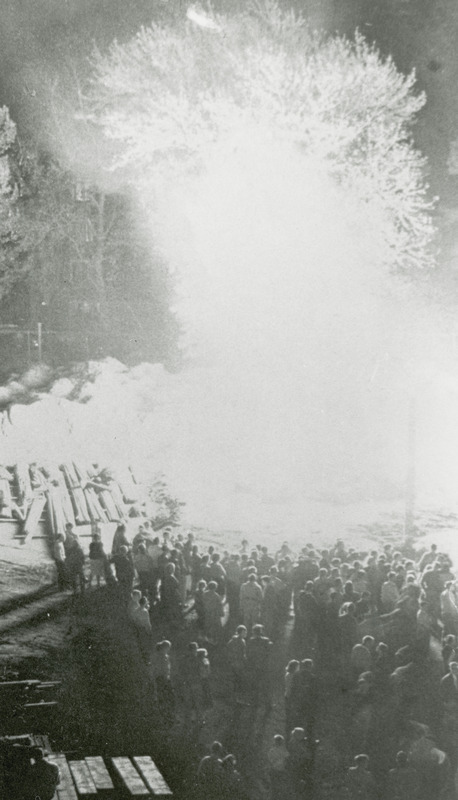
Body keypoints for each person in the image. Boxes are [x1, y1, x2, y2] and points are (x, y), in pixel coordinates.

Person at [155, 640, 175, 726]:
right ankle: (163, 719)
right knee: (163, 699)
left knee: (169, 699)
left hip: (166, 679)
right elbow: (158, 669)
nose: (168, 649)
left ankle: (168, 717)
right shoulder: (159, 656)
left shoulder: (166, 656)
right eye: (167, 648)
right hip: (160, 679)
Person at [268, 735, 289, 800]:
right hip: (276, 771)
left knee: (280, 787)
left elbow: (286, 758)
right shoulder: (272, 750)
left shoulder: (283, 750)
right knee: (275, 787)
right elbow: (270, 760)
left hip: (280, 770)